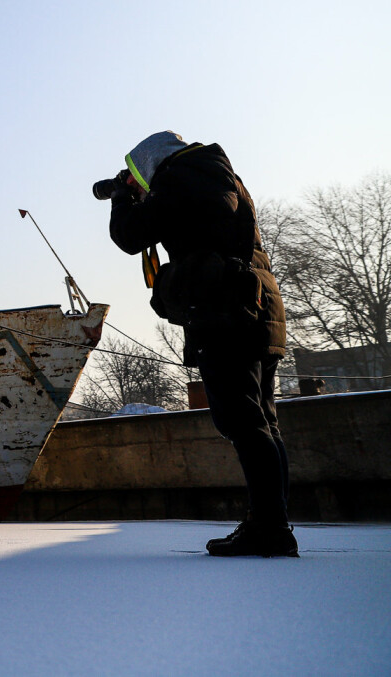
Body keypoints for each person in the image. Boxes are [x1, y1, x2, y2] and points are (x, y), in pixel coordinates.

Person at [103, 131, 297, 557]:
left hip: (226, 315)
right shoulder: (218, 176)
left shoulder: (179, 178)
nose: (137, 186)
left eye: (137, 177)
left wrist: (122, 198)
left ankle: (269, 528)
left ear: (151, 165)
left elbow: (129, 236)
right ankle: (273, 522)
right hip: (261, 311)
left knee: (244, 424)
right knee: (264, 423)